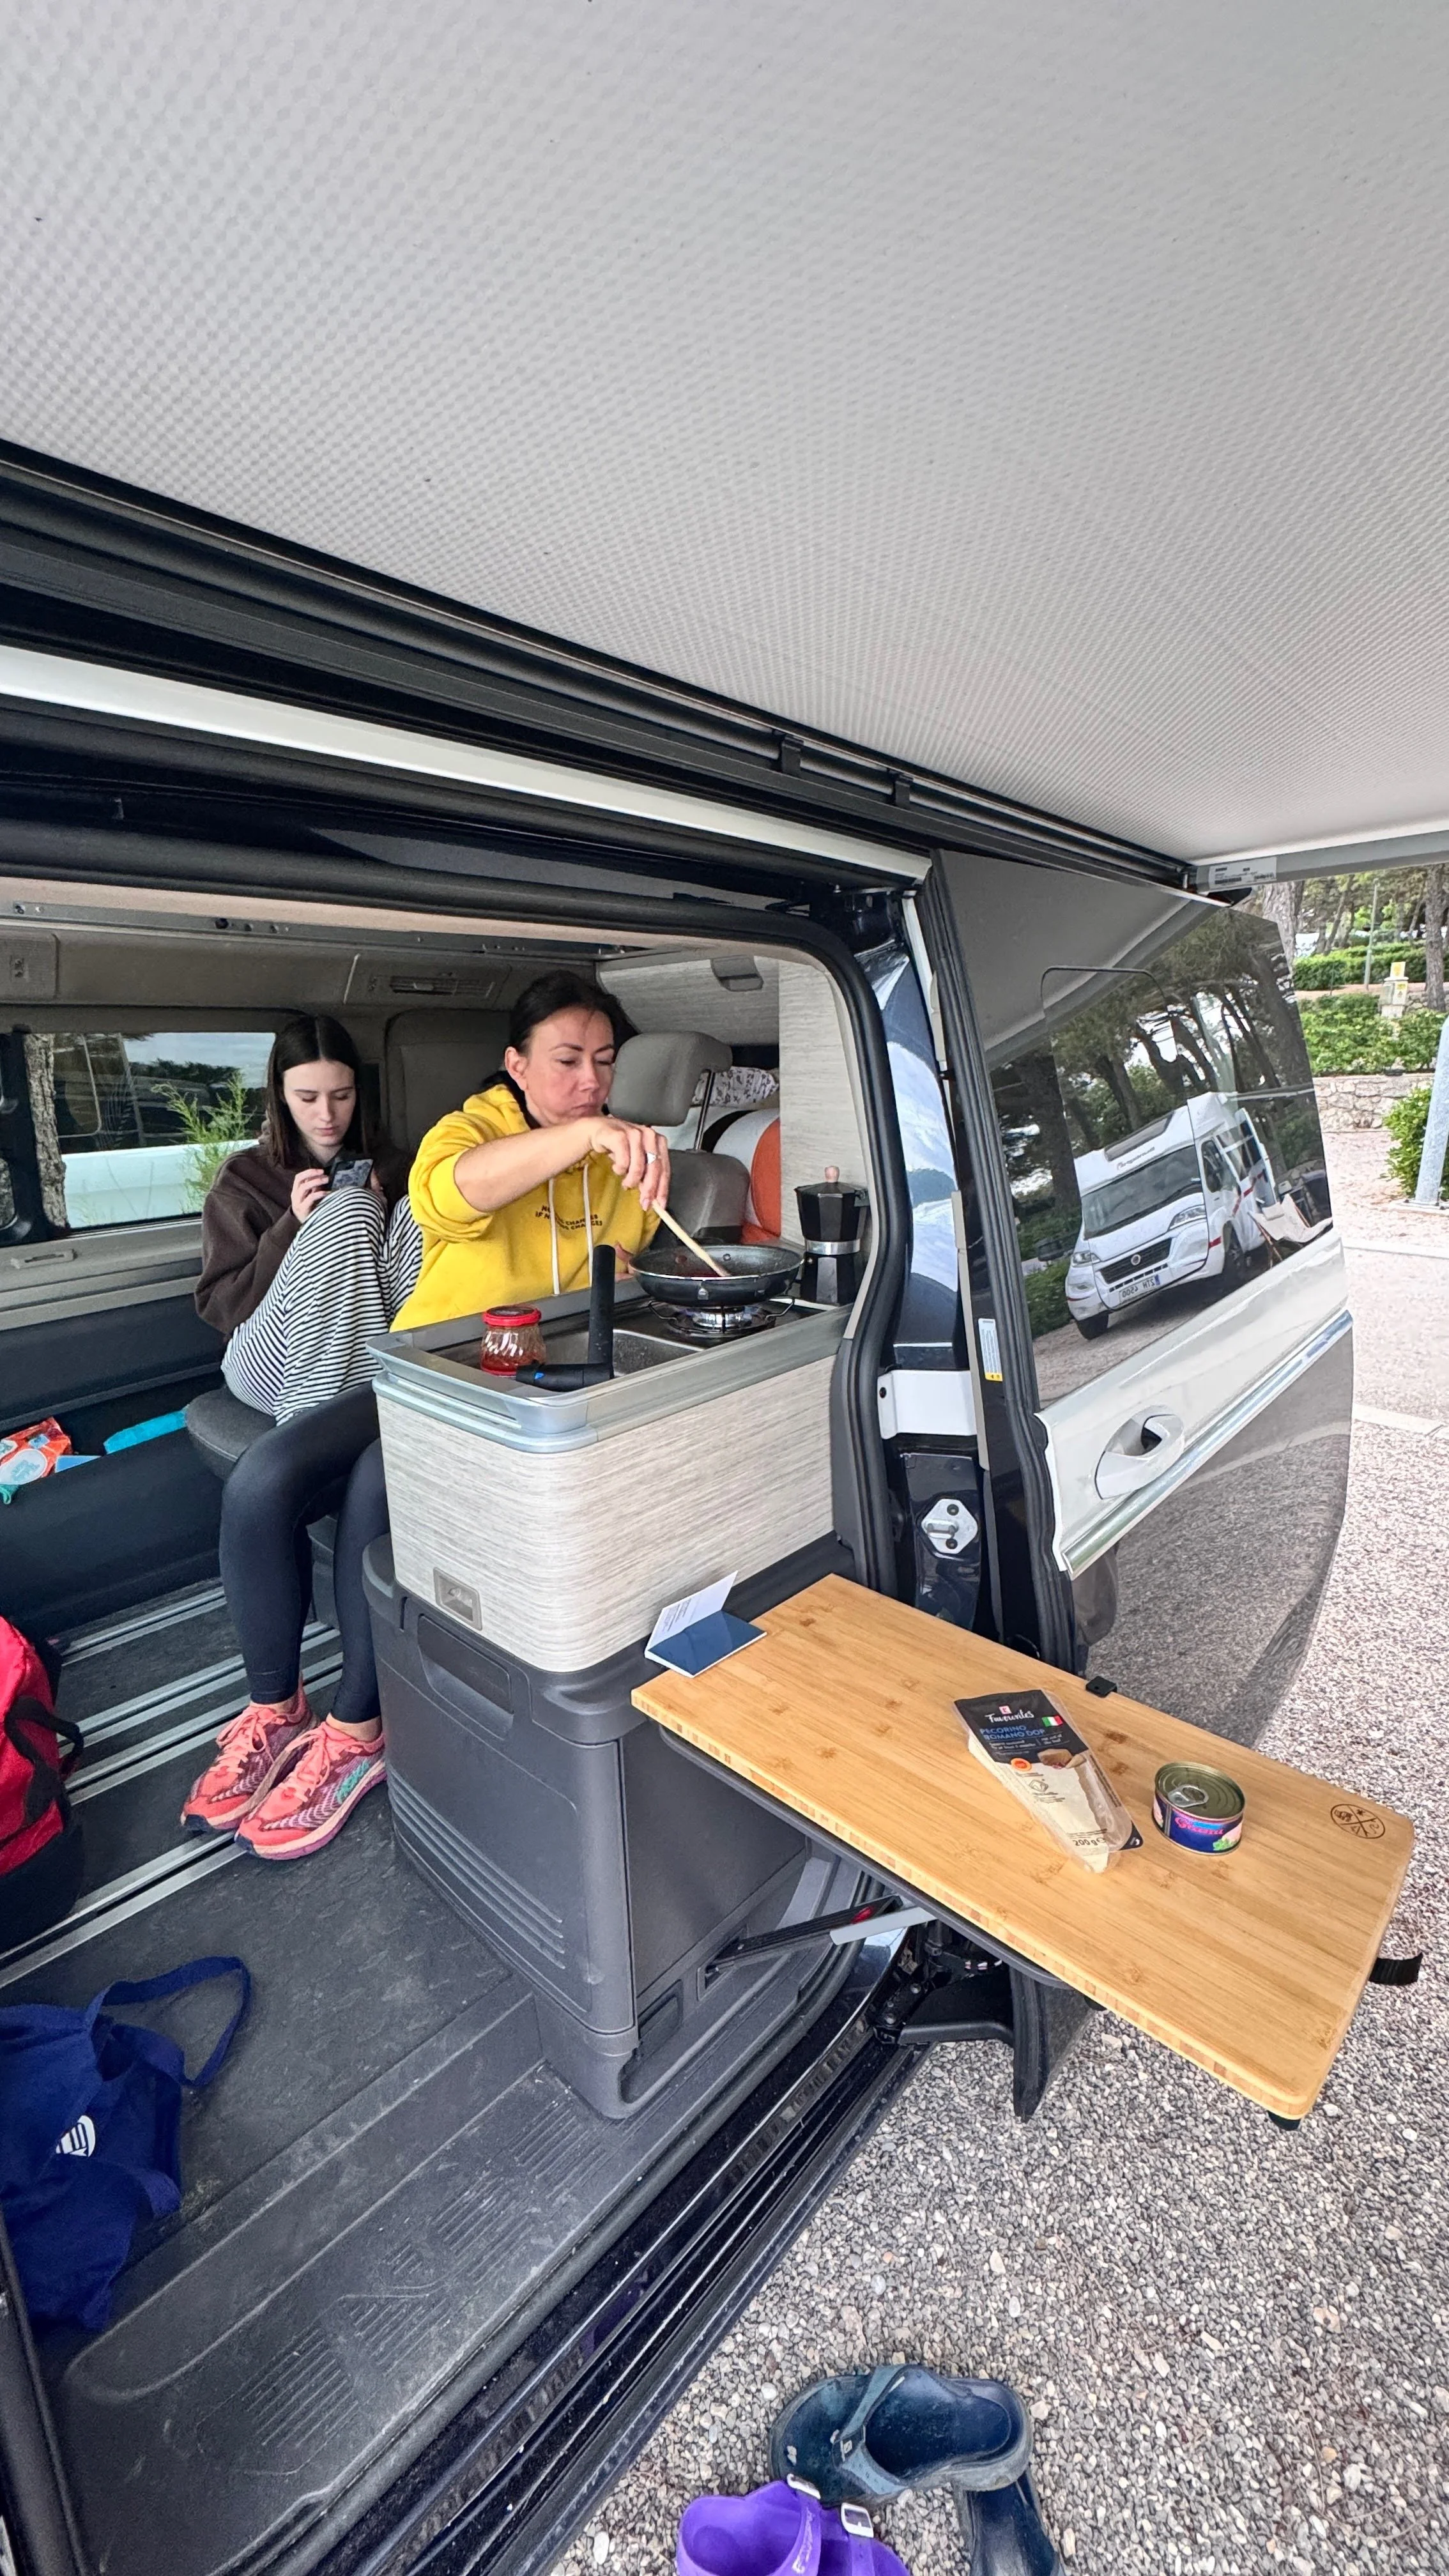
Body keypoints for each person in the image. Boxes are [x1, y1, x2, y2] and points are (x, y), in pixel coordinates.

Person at [183, 976, 671, 1864]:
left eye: (603, 1063)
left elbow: (622, 1270)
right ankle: (272, 1709)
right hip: (424, 1369)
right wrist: (581, 1135)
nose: (589, 1080)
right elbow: (452, 1195)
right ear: (516, 1064)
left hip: (524, 1382)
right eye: (566, 1061)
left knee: (376, 1483)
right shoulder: (473, 1128)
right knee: (265, 1476)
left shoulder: (626, 1156)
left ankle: (356, 1731)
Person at [183, 1016, 417, 1859]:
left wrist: (381, 1218)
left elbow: (399, 1296)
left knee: (394, 1214)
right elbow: (220, 1306)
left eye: (344, 1094)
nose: (329, 1114)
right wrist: (295, 1227)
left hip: (358, 1357)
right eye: (310, 1097)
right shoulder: (245, 1176)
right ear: (280, 1095)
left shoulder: (392, 1162)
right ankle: (320, 1440)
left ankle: (293, 1720)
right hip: (268, 1363)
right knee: (347, 1215)